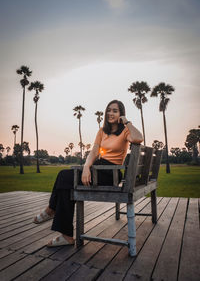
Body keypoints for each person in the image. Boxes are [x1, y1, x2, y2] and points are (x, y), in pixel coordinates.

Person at [33, 100, 143, 247]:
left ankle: (51, 210)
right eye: (109, 110)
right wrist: (86, 167)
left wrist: (127, 122)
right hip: (97, 168)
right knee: (67, 185)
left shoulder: (125, 131)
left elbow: (138, 138)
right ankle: (66, 235)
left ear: (121, 113)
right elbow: (94, 151)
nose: (111, 113)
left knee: (63, 176)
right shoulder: (102, 131)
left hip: (110, 173)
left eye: (115, 111)